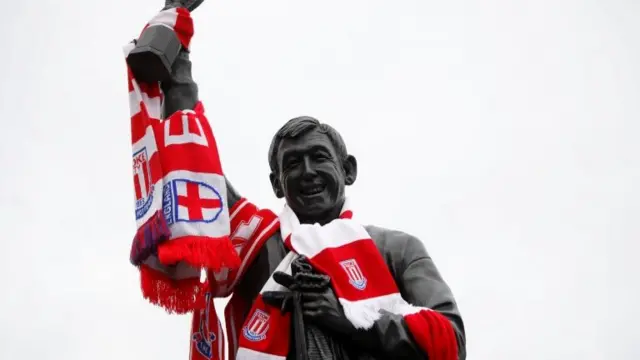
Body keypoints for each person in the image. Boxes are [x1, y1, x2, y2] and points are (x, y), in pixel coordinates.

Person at [159, 39, 465, 360]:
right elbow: (191, 157)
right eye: (292, 164)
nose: (307, 172)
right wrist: (177, 47)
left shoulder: (397, 249)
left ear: (348, 170)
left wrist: (353, 320)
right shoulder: (258, 246)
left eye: (319, 157)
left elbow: (451, 341)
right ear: (277, 184)